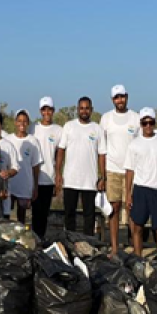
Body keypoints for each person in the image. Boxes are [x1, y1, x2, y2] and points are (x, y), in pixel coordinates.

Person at [125, 108, 157, 262]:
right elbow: (129, 171)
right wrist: (128, 193)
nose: (147, 125)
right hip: (140, 190)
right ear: (140, 124)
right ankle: (138, 260)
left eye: (150, 122)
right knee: (137, 227)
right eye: (144, 122)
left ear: (154, 123)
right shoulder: (134, 144)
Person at [56, 96, 106, 237]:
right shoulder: (69, 126)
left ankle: (88, 245)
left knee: (89, 217)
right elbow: (61, 150)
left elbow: (102, 154)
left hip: (89, 181)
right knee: (69, 215)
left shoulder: (97, 129)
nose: (84, 111)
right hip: (71, 179)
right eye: (82, 108)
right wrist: (58, 173)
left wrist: (103, 177)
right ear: (78, 109)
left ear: (91, 110)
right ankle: (71, 244)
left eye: (87, 108)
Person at [100, 84, 140, 255]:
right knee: (113, 208)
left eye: (122, 96)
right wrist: (102, 175)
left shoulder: (136, 118)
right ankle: (115, 248)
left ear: (127, 97)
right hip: (112, 169)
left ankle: (135, 250)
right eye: (117, 97)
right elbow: (101, 148)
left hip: (131, 171)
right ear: (112, 100)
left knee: (131, 209)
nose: (120, 100)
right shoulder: (106, 118)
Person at [29, 96, 62, 238]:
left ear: (53, 110)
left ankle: (40, 240)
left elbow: (59, 155)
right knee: (34, 213)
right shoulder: (33, 128)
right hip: (33, 178)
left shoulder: (58, 130)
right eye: (44, 109)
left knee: (43, 213)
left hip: (48, 178)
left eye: (49, 109)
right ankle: (33, 240)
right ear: (40, 111)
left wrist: (58, 176)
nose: (47, 112)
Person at [6, 109, 43, 224]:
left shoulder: (33, 141)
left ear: (28, 123)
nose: (22, 123)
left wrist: (35, 187)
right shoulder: (8, 139)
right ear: (15, 122)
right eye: (19, 121)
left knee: (21, 217)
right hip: (10, 184)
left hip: (25, 184)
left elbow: (35, 166)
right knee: (6, 213)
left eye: (25, 121)